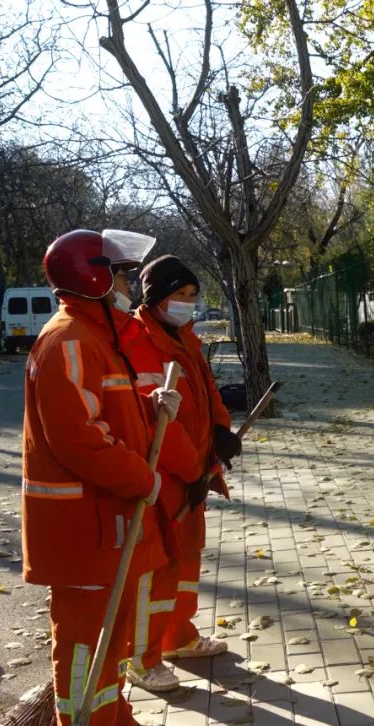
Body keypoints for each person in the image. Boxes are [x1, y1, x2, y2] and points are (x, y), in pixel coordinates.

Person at [21, 229, 182, 726]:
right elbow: (79, 438)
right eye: (118, 275)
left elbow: (103, 406)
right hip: (81, 528)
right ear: (93, 279)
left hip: (107, 523)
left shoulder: (95, 336)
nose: (125, 286)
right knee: (87, 645)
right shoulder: (68, 339)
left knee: (111, 638)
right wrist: (143, 477)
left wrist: (147, 402)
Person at [120, 254, 241, 692]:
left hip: (194, 472)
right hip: (165, 478)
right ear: (155, 297)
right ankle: (142, 656)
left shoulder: (184, 337)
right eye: (179, 295)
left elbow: (207, 393)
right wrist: (193, 469)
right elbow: (157, 423)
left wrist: (221, 431)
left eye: (192, 296)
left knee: (187, 559)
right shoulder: (139, 341)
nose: (187, 303)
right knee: (157, 566)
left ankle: (178, 636)